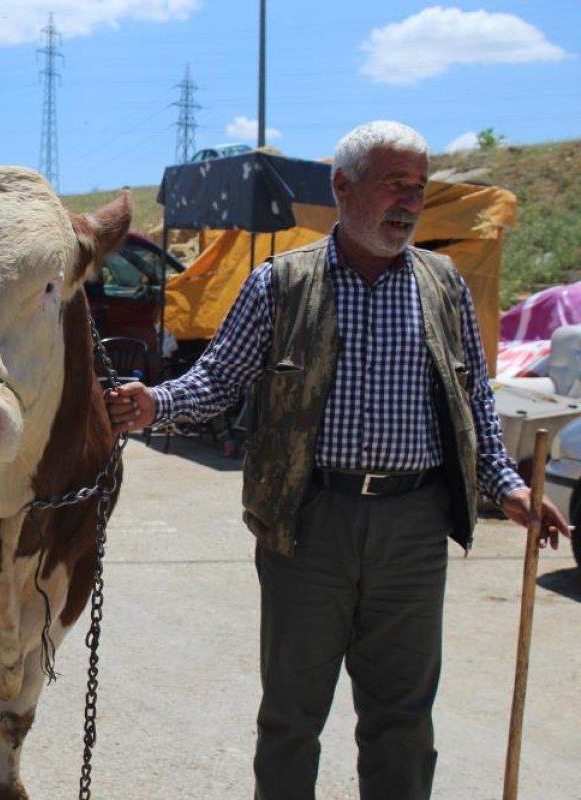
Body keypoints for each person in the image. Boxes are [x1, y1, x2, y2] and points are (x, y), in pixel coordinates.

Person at [107, 120, 569, 800]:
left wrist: (508, 487)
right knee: (292, 717)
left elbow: (471, 402)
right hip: (308, 522)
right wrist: (156, 404)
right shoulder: (282, 283)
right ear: (344, 187)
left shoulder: (443, 286)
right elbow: (218, 379)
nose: (409, 202)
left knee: (402, 720)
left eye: (418, 187)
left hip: (413, 530)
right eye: (393, 184)